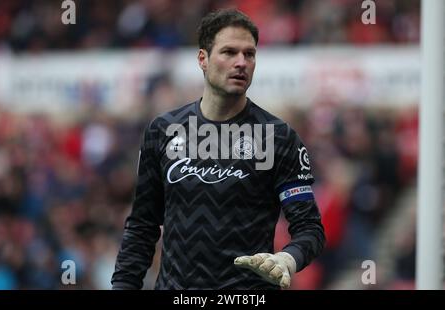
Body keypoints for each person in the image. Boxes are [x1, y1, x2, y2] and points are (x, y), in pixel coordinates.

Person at [111, 9, 325, 290]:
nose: (241, 63)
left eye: (249, 54)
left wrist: (288, 258)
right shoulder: (162, 131)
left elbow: (310, 229)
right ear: (203, 59)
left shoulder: (278, 137)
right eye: (229, 52)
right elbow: (142, 227)